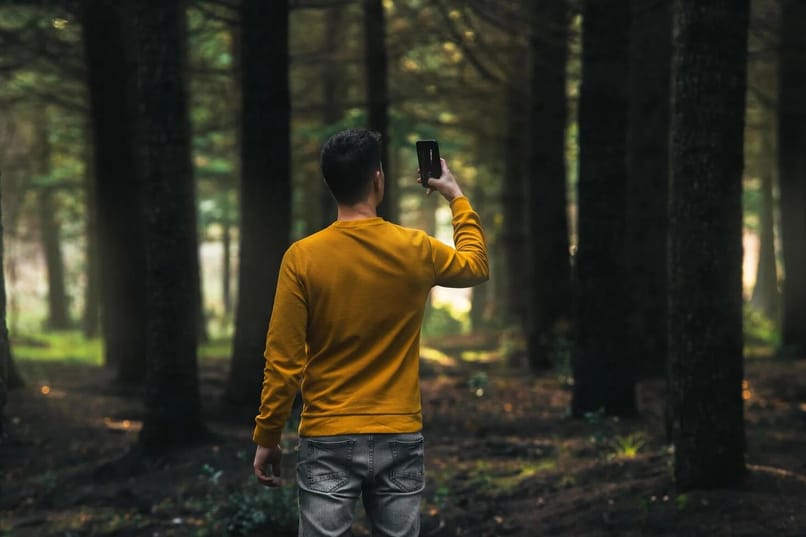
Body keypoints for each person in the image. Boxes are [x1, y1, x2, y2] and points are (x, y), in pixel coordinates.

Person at [252, 128, 489, 537]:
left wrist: (268, 435)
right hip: (398, 432)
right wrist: (455, 195)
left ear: (330, 184)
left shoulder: (302, 258)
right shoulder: (417, 248)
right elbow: (476, 265)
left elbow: (284, 361)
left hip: (328, 436)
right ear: (377, 179)